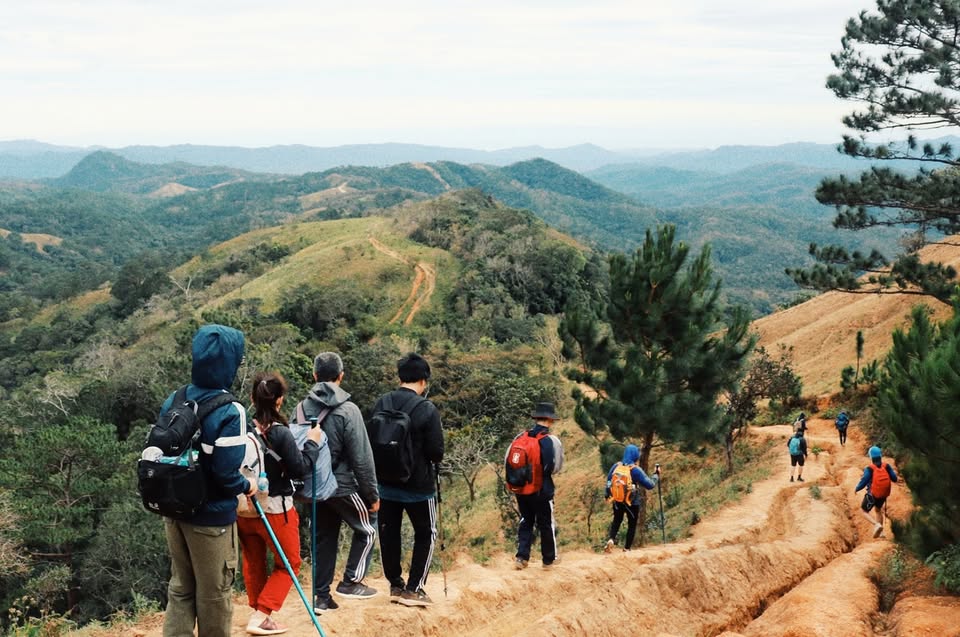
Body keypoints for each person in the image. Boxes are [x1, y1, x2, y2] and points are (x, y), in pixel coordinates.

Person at [161, 324, 254, 637]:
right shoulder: (231, 411)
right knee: (215, 594)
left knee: (180, 588)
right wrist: (248, 486)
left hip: (173, 512)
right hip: (211, 520)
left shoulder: (174, 400)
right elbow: (227, 476)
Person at [291, 352, 380, 614]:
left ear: (314, 376)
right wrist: (372, 494)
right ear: (341, 376)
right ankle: (351, 581)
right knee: (368, 526)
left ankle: (321, 597)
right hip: (342, 486)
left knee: (323, 539)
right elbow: (362, 458)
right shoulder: (349, 410)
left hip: (314, 487)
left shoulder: (299, 408)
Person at [237, 372, 323, 636]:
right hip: (276, 509)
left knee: (253, 561)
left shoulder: (243, 428)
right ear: (280, 401)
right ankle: (262, 615)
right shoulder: (281, 433)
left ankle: (258, 612)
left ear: (252, 398)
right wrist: (312, 443)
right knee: (289, 563)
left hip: (244, 507)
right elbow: (301, 469)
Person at [371, 352, 445, 607]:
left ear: (400, 377)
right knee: (426, 532)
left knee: (389, 533)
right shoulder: (426, 408)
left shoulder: (382, 402)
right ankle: (415, 588)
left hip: (385, 483)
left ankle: (395, 585)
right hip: (418, 487)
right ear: (423, 381)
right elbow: (437, 452)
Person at [510, 401, 565, 570]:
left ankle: (521, 557)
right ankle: (548, 560)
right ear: (549, 420)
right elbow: (553, 467)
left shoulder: (520, 437)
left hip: (521, 488)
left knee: (526, 520)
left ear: (536, 418)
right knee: (545, 523)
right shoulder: (549, 441)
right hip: (542, 489)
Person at [604, 444, 660, 553]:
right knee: (632, 524)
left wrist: (607, 494)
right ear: (635, 456)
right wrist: (656, 475)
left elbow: (609, 481)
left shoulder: (616, 466)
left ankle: (611, 539)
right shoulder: (635, 470)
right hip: (632, 502)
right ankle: (627, 548)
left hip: (617, 500)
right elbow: (650, 485)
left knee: (616, 520)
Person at [855, 445, 899, 538]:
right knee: (878, 510)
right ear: (880, 456)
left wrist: (857, 488)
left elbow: (864, 481)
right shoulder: (886, 466)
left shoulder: (870, 468)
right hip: (883, 495)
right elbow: (894, 478)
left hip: (873, 494)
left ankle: (876, 524)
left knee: (864, 511)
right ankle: (882, 533)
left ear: (871, 457)